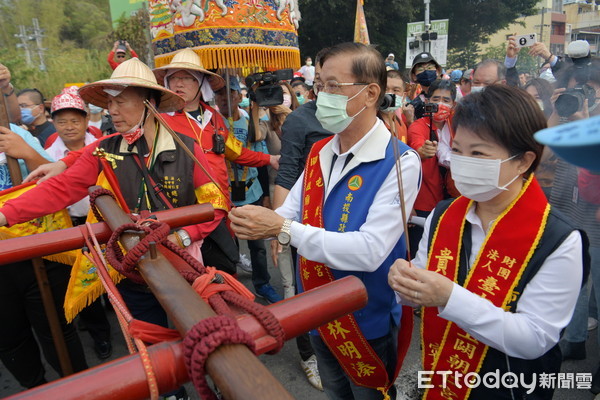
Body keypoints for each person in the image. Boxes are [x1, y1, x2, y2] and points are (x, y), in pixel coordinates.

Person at [0, 58, 226, 399]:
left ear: (147, 102)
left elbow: (215, 203)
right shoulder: (105, 150)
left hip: (185, 263)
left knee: (198, 333)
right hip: (136, 266)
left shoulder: (186, 146)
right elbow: (61, 190)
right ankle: (171, 391)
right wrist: (5, 215)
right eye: (109, 102)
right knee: (152, 340)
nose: (112, 110)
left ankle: (218, 380)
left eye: (121, 101)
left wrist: (183, 235)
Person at [230, 42, 421, 400]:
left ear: (370, 93)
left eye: (334, 86)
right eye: (320, 85)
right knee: (335, 391)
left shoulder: (400, 162)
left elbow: (370, 251)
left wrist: (281, 229)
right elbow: (294, 208)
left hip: (365, 316)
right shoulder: (321, 151)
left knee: (368, 394)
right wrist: (262, 219)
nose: (322, 96)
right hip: (317, 304)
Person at [388, 84, 586, 399]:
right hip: (441, 372)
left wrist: (449, 297)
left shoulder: (559, 239)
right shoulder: (444, 214)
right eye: (457, 150)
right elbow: (424, 279)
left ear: (523, 161)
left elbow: (535, 338)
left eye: (478, 153)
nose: (462, 162)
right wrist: (406, 281)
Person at [154, 48, 279, 274]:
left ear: (200, 83)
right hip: (186, 210)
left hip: (220, 205)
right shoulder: (160, 121)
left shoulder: (214, 118)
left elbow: (236, 152)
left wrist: (270, 159)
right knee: (192, 273)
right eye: (173, 78)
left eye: (186, 78)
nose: (178, 83)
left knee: (225, 271)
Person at [45, 87, 113, 360]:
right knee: (83, 280)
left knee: (117, 274)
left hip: (106, 221)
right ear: (53, 122)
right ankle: (102, 335)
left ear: (87, 120)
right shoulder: (49, 155)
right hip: (71, 226)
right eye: (62, 121)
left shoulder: (104, 146)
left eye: (75, 120)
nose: (69, 126)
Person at [214, 76, 282, 303]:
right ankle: (232, 289)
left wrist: (265, 196)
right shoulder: (211, 124)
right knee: (227, 247)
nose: (225, 98)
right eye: (220, 93)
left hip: (251, 191)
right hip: (224, 195)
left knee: (258, 245)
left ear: (239, 96)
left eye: (230, 92)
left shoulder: (250, 124)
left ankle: (262, 284)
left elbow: (263, 161)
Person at [407, 79, 458, 256]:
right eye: (436, 99)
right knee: (420, 252)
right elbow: (417, 146)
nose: (440, 104)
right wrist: (422, 151)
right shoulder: (418, 126)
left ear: (453, 104)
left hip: (454, 200)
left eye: (446, 100)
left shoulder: (458, 125)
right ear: (427, 102)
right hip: (425, 202)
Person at [409, 52, 442, 120]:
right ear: (414, 76)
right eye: (420, 69)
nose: (426, 71)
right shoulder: (414, 106)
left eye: (430, 67)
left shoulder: (449, 97)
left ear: (437, 71)